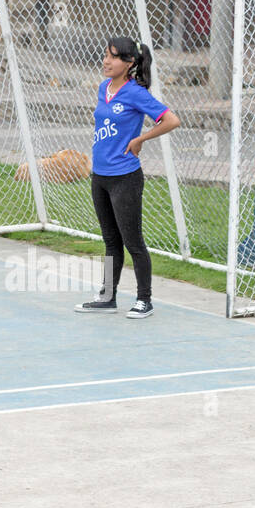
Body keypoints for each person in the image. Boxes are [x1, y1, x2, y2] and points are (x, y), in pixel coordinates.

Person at [76, 37, 181, 318]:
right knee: (110, 240)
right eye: (105, 55)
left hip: (125, 177)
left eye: (113, 57)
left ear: (129, 63)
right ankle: (108, 297)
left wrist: (141, 139)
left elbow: (171, 120)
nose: (106, 61)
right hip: (100, 176)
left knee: (133, 241)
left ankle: (144, 300)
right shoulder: (103, 88)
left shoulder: (136, 92)